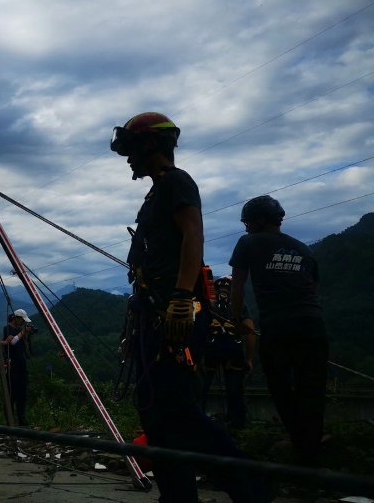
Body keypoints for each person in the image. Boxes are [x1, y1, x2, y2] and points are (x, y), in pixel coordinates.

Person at [111, 111, 270, 503]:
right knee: (155, 411)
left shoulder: (176, 182)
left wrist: (183, 297)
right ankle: (178, 496)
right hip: (154, 315)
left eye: (132, 150)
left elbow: (193, 236)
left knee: (176, 409)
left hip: (174, 316)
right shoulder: (155, 194)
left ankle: (252, 487)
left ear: (150, 145)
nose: (129, 159)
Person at [229, 195, 328, 467]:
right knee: (312, 390)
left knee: (281, 388)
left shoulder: (248, 242)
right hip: (313, 325)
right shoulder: (303, 249)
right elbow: (312, 290)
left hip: (278, 326)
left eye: (248, 222)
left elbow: (237, 287)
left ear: (260, 220)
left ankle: (300, 448)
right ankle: (311, 457)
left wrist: (238, 319)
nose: (247, 227)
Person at [201, 275, 256, 430]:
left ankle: (196, 422)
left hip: (210, 351)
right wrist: (249, 359)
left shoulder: (208, 305)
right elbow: (251, 332)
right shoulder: (240, 306)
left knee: (201, 388)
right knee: (235, 390)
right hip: (234, 352)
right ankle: (237, 426)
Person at [2, 309, 33, 426]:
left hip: (21, 366)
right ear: (16, 318)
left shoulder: (19, 330)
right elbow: (12, 342)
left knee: (22, 394)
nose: (23, 322)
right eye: (22, 320)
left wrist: (27, 334)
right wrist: (23, 332)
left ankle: (22, 418)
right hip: (12, 367)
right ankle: (10, 421)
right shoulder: (7, 329)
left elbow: (27, 349)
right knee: (12, 394)